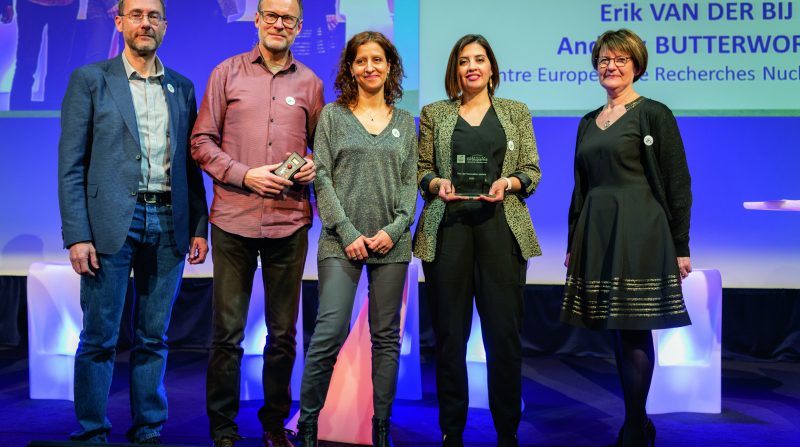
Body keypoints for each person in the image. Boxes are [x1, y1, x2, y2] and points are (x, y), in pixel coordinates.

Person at [58, 0, 209, 443]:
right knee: (99, 337)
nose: (146, 23)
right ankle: (91, 432)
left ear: (165, 25)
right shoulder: (90, 80)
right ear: (119, 21)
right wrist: (77, 235)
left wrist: (199, 225)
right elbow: (71, 166)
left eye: (154, 16)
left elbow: (189, 165)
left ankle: (148, 430)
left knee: (153, 337)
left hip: (167, 221)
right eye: (137, 14)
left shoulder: (181, 87)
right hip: (108, 225)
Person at [190, 0, 324, 445]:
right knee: (227, 334)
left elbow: (321, 151)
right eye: (272, 15)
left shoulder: (311, 84)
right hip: (233, 220)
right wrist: (244, 174)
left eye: (288, 18)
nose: (279, 24)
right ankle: (224, 431)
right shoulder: (225, 73)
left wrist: (311, 166)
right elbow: (201, 142)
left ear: (299, 27)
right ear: (258, 20)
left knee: (283, 335)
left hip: (289, 221)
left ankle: (273, 427)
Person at [561, 28, 692, 447]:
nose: (610, 66)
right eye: (603, 59)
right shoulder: (587, 122)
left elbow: (677, 182)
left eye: (619, 60)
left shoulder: (654, 113)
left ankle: (636, 426)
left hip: (641, 229)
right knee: (616, 327)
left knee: (635, 327)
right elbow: (579, 186)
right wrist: (571, 242)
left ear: (636, 65)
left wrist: (681, 245)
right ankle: (637, 421)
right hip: (597, 229)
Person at [414, 34, 541, 447]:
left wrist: (509, 181)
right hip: (448, 231)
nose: (472, 66)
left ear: (491, 68)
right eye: (464, 60)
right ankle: (453, 432)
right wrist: (436, 183)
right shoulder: (434, 113)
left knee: (503, 337)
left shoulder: (516, 112)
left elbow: (532, 172)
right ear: (455, 70)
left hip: (501, 230)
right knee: (450, 338)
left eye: (480, 59)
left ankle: (508, 432)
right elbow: (422, 172)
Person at [296, 31, 417, 447]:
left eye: (377, 60)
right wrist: (347, 231)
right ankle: (308, 425)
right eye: (361, 60)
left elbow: (409, 186)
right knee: (329, 331)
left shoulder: (404, 122)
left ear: (390, 67)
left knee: (386, 339)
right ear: (350, 67)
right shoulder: (331, 116)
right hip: (339, 242)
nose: (370, 67)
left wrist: (394, 230)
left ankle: (380, 428)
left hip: (392, 245)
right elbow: (322, 178)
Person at [9, 0, 79, 109]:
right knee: (26, 64)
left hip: (66, 7)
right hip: (31, 5)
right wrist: (6, 3)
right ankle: (17, 117)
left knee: (59, 67)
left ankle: (54, 118)